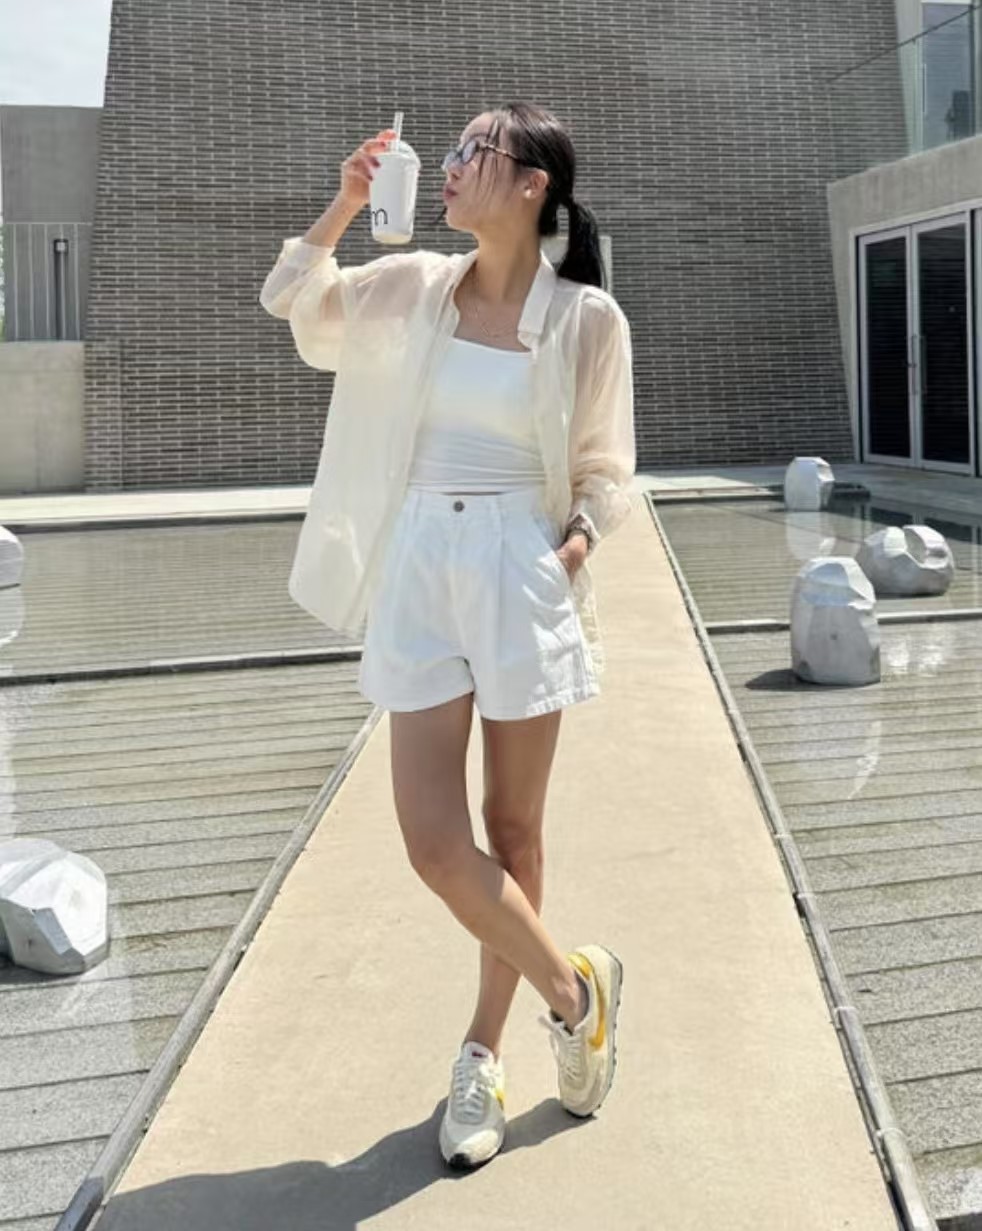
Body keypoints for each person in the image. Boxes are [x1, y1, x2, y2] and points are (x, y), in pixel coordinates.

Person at [258, 101, 635, 1170]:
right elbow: (296, 300)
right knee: (434, 842)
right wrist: (344, 201)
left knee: (512, 830)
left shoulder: (587, 318)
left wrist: (568, 550)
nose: (455, 166)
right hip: (421, 561)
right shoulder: (413, 285)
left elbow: (606, 467)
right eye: (456, 150)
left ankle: (483, 1053)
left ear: (532, 184)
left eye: (476, 151)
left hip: (520, 563)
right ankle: (577, 994)